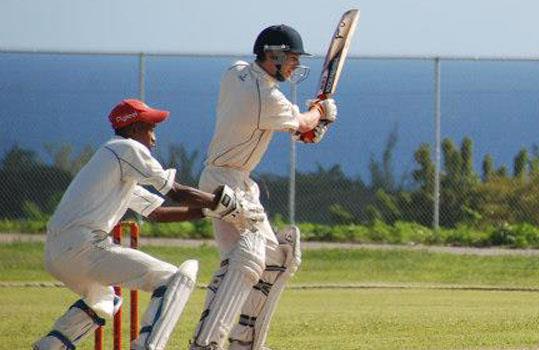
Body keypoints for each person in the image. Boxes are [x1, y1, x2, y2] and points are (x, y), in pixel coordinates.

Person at [34, 99, 264, 350]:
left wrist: (212, 212)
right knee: (172, 279)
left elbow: (158, 213)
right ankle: (147, 345)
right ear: (133, 129)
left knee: (104, 301)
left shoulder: (112, 165)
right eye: (150, 128)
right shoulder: (126, 148)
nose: (154, 138)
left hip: (57, 253)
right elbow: (175, 191)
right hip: (83, 246)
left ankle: (50, 346)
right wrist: (228, 205)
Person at [189, 24, 337, 350]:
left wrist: (309, 122)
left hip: (231, 180)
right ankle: (208, 342)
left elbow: (294, 126)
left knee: (275, 259)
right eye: (292, 58)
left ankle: (246, 341)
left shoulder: (236, 72)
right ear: (273, 55)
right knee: (250, 260)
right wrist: (321, 112)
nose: (295, 65)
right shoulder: (266, 97)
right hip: (227, 182)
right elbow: (302, 123)